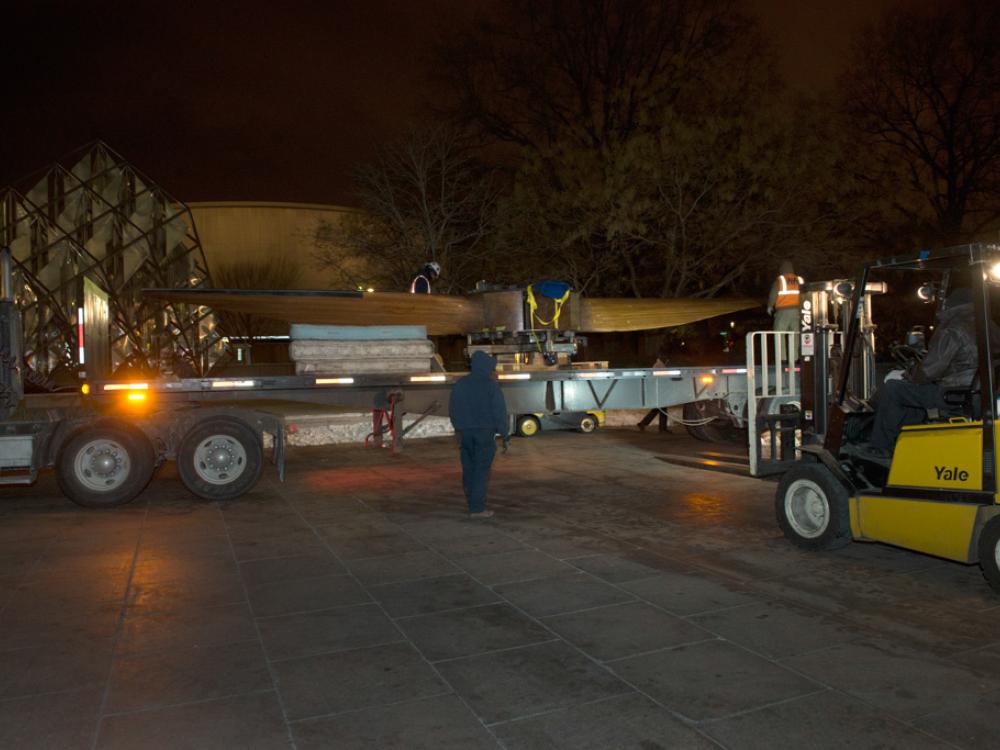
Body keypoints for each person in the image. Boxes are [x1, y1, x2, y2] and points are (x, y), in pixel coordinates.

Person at [866, 287, 978, 458]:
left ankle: (881, 447)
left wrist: (910, 374)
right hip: (977, 391)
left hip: (954, 393)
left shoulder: (952, 328)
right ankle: (909, 441)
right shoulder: (986, 325)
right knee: (913, 392)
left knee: (894, 388)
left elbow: (928, 370)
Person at [448, 351, 509, 518]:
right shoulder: (491, 386)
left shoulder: (461, 384)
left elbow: (453, 409)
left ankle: (471, 502)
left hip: (464, 433)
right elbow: (499, 412)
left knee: (468, 468)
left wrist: (458, 428)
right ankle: (477, 508)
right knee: (481, 470)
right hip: (484, 433)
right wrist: (504, 434)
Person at [767, 260, 804, 332]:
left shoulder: (780, 280)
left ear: (781, 269)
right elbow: (805, 294)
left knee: (779, 333)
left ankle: (780, 344)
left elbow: (773, 295)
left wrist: (770, 306)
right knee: (796, 333)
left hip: (783, 310)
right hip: (798, 311)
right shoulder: (800, 280)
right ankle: (796, 344)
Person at [637, 357, 670, 432]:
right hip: (659, 390)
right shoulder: (659, 365)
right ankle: (662, 428)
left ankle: (643, 423)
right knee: (662, 409)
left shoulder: (659, 364)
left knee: (658, 409)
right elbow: (664, 376)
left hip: (658, 389)